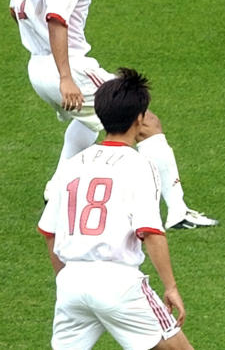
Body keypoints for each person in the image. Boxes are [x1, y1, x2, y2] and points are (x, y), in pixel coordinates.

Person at [9, 0, 217, 229]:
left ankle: (57, 188)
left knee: (85, 122)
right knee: (145, 121)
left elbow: (17, 8)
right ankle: (178, 210)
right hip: (67, 67)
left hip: (37, 67)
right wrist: (65, 77)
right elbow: (56, 17)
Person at [38, 68, 194, 349]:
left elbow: (48, 232)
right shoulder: (139, 164)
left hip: (71, 281)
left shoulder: (73, 165)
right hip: (119, 284)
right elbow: (151, 232)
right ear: (139, 119)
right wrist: (170, 287)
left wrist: (67, 281)